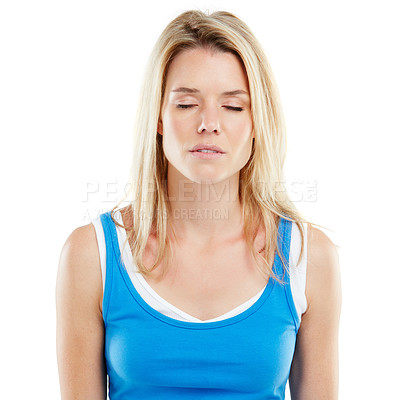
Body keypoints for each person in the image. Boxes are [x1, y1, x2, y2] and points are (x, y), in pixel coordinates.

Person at [56, 9, 342, 400]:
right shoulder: (91, 256)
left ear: (258, 122)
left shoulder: (309, 257)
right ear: (158, 116)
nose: (209, 123)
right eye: (187, 104)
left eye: (234, 106)